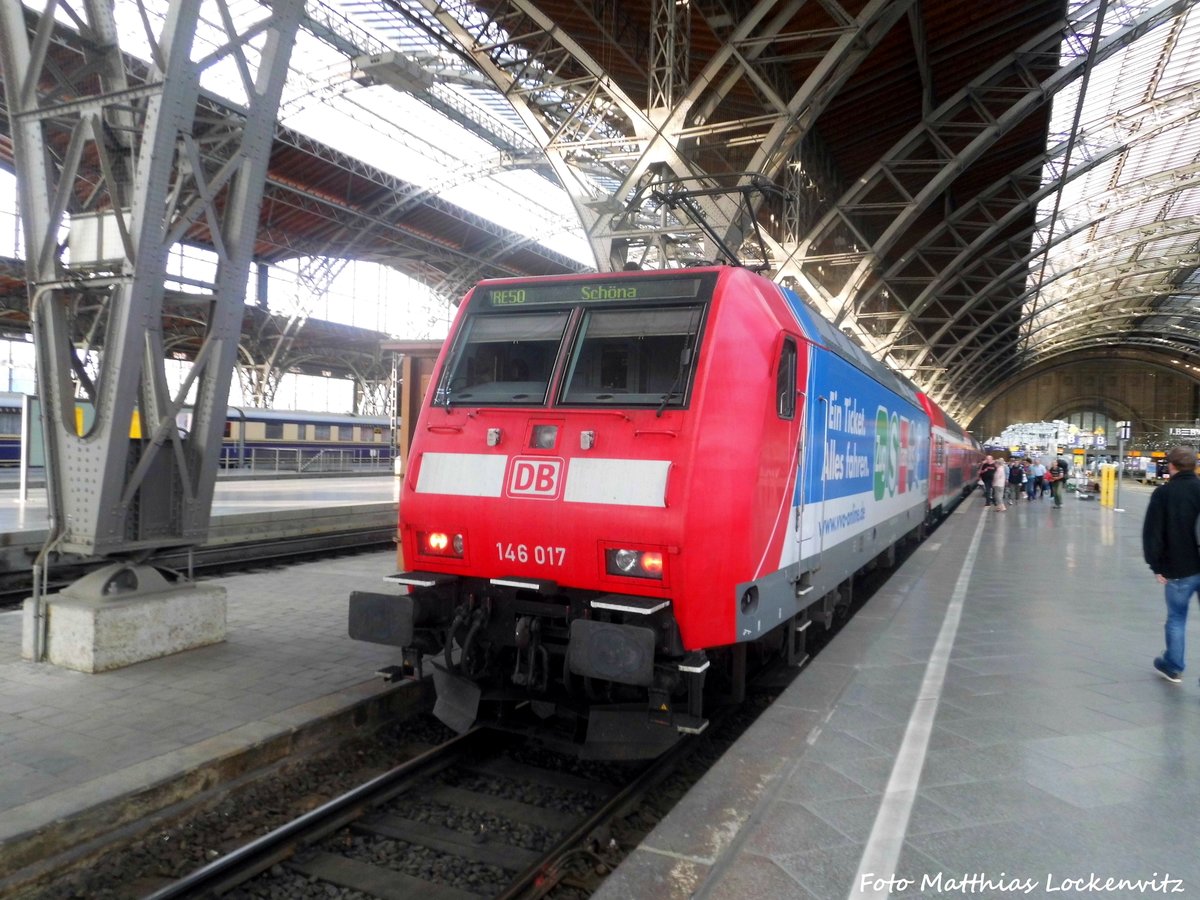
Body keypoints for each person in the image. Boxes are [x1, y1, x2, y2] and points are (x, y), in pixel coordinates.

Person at [1141, 445, 1200, 683]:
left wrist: (1156, 565)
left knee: (1176, 618)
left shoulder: (1164, 494)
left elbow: (1152, 533)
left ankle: (1173, 666)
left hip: (1178, 569)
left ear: (1171, 466)